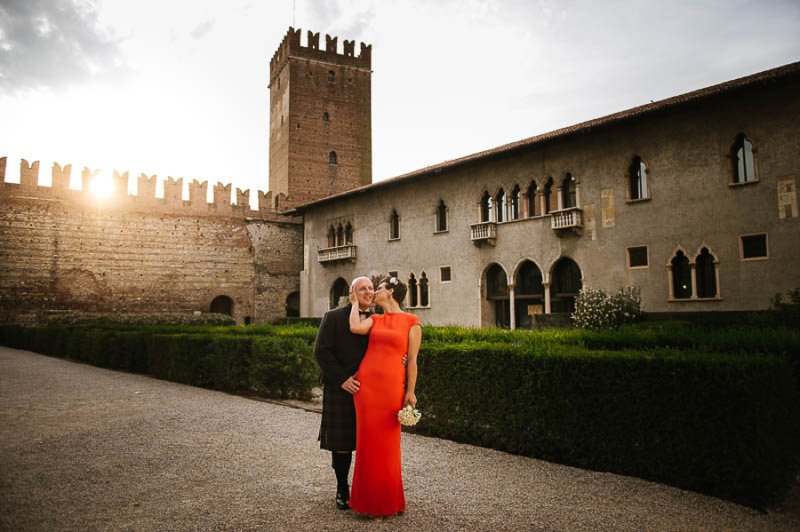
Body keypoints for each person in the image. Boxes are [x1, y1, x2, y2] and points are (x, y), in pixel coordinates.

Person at [347, 275, 422, 516]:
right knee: (367, 444)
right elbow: (354, 327)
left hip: (391, 388)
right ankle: (367, 503)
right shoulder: (375, 319)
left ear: (390, 292)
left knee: (389, 446)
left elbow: (412, 360)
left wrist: (410, 391)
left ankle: (389, 500)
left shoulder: (413, 322)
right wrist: (353, 303)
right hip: (366, 388)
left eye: (378, 288)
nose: (373, 292)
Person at [313, 276, 374, 510]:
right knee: (342, 442)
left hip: (371, 390)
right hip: (341, 387)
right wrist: (342, 379)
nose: (368, 292)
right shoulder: (334, 317)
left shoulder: (378, 320)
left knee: (370, 442)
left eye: (371, 288)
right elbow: (321, 352)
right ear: (352, 293)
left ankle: (367, 488)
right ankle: (342, 488)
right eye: (362, 289)